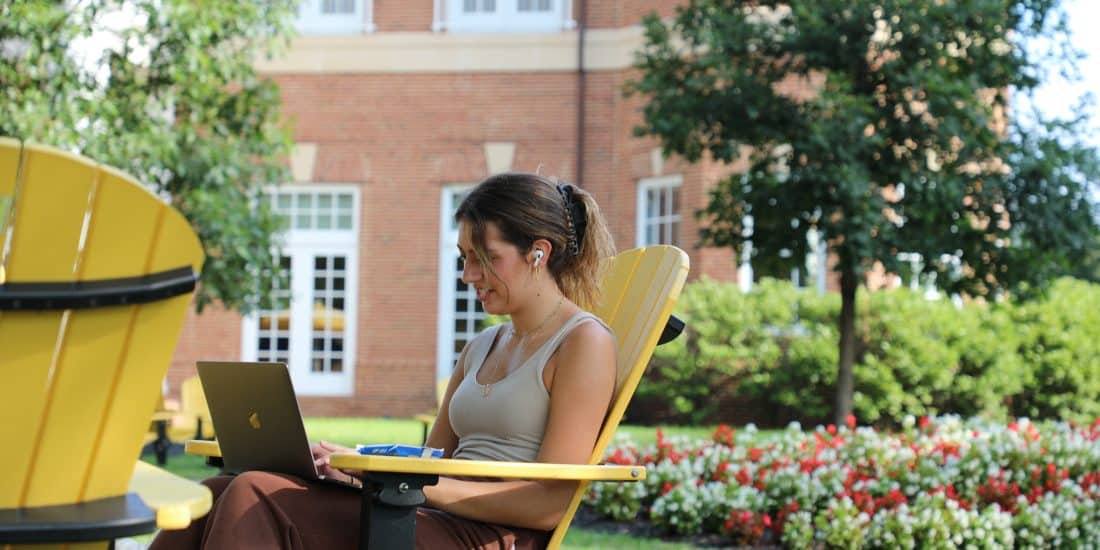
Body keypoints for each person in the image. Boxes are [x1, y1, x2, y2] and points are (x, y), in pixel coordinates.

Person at [149, 172, 618, 549]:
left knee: (253, 494)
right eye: (463, 257)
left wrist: (395, 485)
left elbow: (548, 504)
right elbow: (432, 461)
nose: (468, 275)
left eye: (485, 258)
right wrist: (354, 465)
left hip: (489, 536)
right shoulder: (483, 345)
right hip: (427, 514)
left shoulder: (582, 343)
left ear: (539, 252)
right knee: (215, 493)